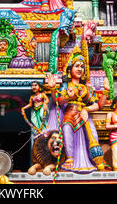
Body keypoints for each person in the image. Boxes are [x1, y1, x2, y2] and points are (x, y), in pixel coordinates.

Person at [46, 45, 110, 173]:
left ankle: (96, 161)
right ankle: (69, 159)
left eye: (82, 66)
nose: (79, 69)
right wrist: (53, 89)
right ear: (70, 69)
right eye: (77, 66)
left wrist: (105, 92)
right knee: (67, 132)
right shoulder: (67, 86)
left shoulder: (87, 88)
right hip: (69, 115)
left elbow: (98, 105)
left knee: (93, 136)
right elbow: (57, 100)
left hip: (84, 116)